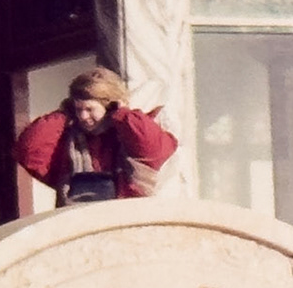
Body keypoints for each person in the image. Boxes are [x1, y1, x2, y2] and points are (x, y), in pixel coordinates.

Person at [14, 66, 178, 205]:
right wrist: (64, 114)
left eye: (90, 109)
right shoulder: (68, 144)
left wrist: (122, 115)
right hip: (80, 226)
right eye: (78, 110)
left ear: (110, 106)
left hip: (127, 224)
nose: (83, 117)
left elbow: (151, 147)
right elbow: (29, 151)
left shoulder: (131, 135)